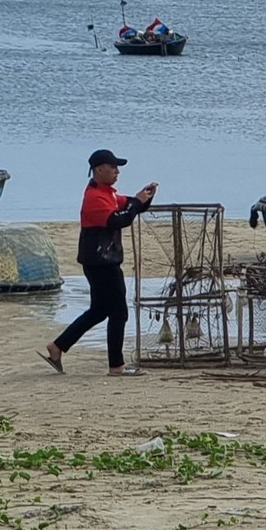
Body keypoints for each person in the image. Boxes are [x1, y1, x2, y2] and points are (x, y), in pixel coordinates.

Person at [40, 149, 157, 377]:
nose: (117, 171)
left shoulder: (108, 193)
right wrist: (135, 204)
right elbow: (119, 220)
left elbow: (130, 206)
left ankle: (58, 346)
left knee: (99, 311)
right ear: (99, 170)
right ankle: (116, 365)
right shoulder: (95, 197)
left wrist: (144, 197)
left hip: (100, 261)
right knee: (118, 312)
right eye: (113, 167)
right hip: (101, 263)